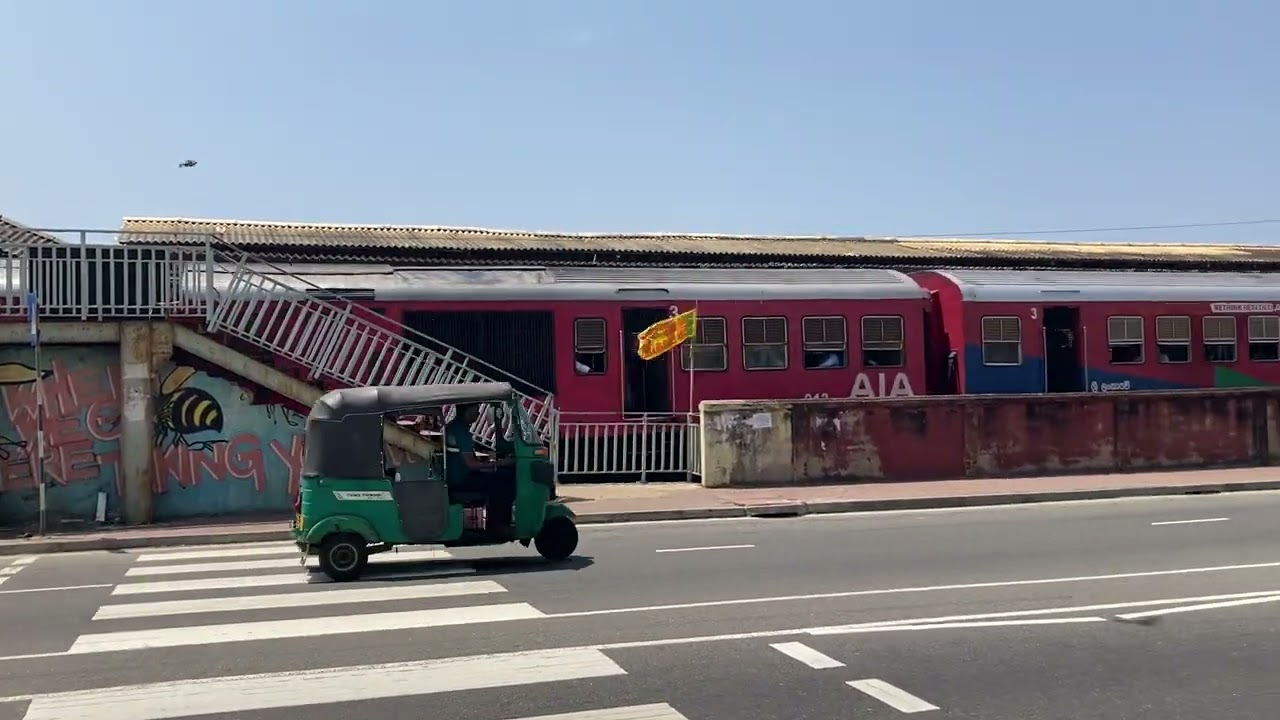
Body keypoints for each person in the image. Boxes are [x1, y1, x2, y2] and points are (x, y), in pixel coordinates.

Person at [444, 403, 517, 537]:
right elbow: (471, 464)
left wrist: (490, 461)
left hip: (458, 474)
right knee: (504, 482)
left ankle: (496, 521)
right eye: (476, 410)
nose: (478, 414)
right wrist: (499, 463)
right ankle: (499, 525)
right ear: (466, 412)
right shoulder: (461, 431)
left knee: (499, 476)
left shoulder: (455, 427)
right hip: (461, 479)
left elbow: (465, 456)